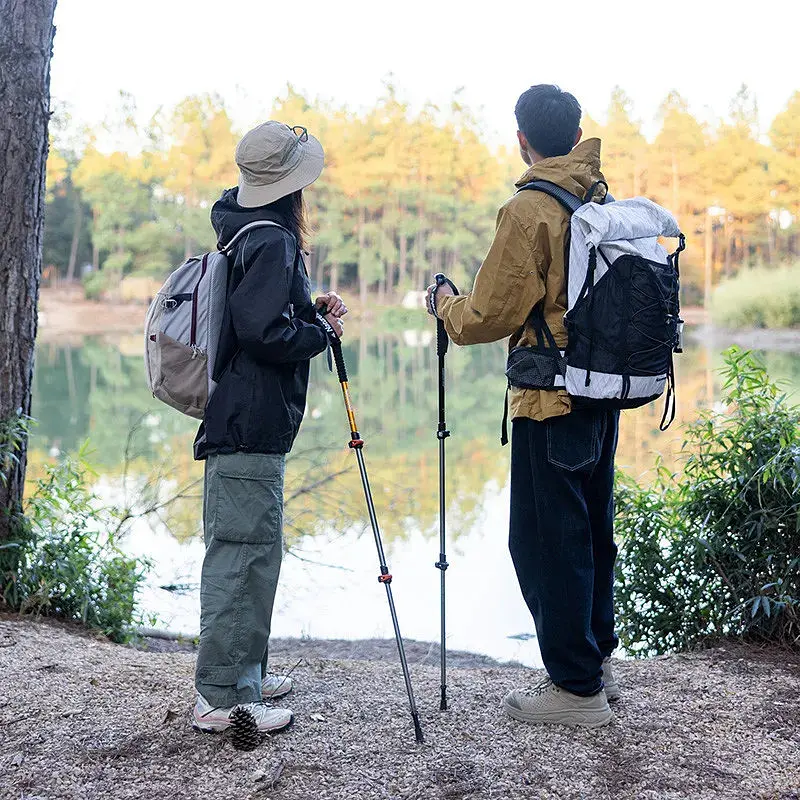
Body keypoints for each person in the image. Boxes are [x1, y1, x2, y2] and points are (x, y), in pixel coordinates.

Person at [427, 85, 619, 728]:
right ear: (575, 135)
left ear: (522, 139)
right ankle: (595, 664)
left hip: (549, 399)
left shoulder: (531, 209)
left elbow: (488, 315)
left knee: (544, 539)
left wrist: (445, 306)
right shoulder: (597, 194)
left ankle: (575, 689)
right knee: (590, 526)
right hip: (601, 390)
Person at [191, 121, 347, 734]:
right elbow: (260, 333)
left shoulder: (246, 232)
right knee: (242, 554)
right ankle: (225, 696)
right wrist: (319, 333)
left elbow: (252, 315)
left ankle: (245, 670)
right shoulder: (274, 240)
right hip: (248, 421)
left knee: (253, 551)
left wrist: (307, 308)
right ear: (293, 185)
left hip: (242, 419)